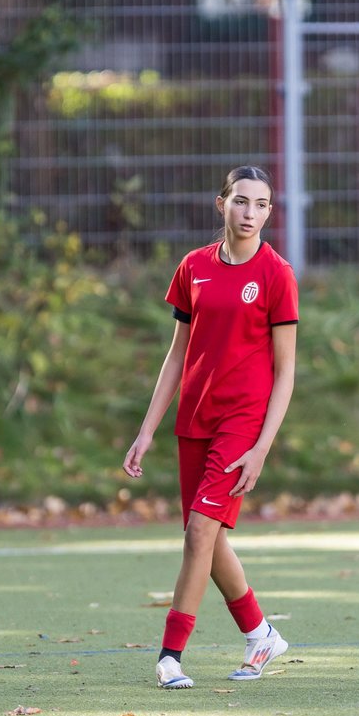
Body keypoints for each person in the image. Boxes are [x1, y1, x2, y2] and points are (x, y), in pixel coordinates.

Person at [123, 165, 298, 689]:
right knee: (208, 535)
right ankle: (261, 633)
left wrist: (263, 446)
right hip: (193, 418)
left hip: (243, 421)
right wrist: (147, 429)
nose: (250, 214)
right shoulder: (193, 267)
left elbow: (286, 371)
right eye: (241, 201)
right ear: (220, 203)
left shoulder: (276, 274)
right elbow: (176, 356)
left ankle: (170, 655)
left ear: (270, 211)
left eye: (261, 205)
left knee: (201, 530)